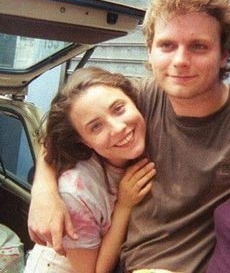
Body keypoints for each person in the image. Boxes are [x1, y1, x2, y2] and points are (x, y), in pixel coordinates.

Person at [28, 0, 230, 272]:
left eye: (198, 46)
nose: (180, 61)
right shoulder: (136, 101)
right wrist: (44, 193)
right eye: (167, 45)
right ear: (149, 52)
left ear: (224, 54)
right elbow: (59, 132)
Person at [24, 66, 156, 273]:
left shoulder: (145, 128)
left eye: (119, 109)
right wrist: (124, 205)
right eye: (96, 126)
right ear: (82, 140)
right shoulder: (77, 190)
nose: (118, 127)